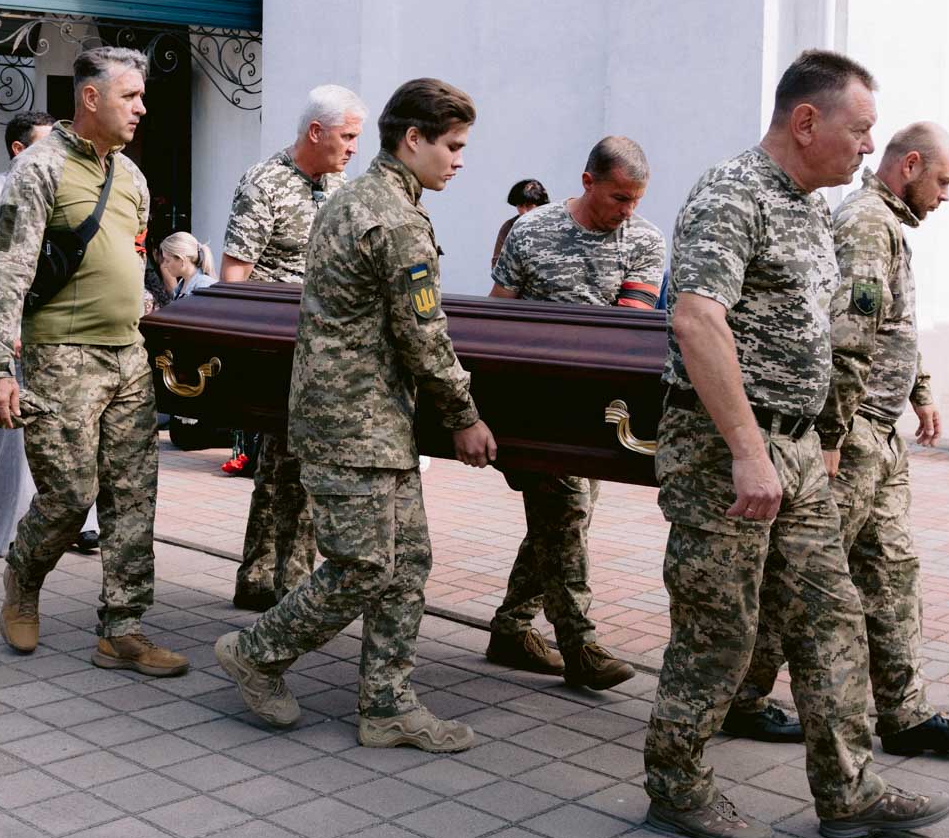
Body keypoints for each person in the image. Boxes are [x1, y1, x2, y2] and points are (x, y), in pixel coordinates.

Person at [643, 49, 949, 838]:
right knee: (720, 628)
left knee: (831, 614)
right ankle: (677, 785)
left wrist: (822, 441)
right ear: (806, 121)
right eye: (858, 131)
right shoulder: (730, 194)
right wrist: (749, 450)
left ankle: (849, 790)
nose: (865, 149)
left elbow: (820, 337)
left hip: (800, 451)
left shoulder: (815, 211)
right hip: (725, 450)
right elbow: (696, 320)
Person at [216, 78, 497, 753]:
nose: (459, 160)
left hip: (372, 420)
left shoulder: (357, 200)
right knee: (363, 566)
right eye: (452, 146)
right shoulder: (392, 218)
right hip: (354, 421)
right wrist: (463, 414)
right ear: (413, 140)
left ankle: (388, 703)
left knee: (408, 561)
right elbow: (423, 334)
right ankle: (257, 652)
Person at [723, 123, 949, 759]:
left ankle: (904, 715)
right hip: (854, 434)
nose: (947, 195)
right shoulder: (867, 221)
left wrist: (919, 389)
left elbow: (894, 323)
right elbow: (849, 329)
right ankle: (742, 696)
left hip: (881, 434)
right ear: (912, 166)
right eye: (943, 182)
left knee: (891, 572)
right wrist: (835, 430)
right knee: (802, 580)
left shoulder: (888, 223)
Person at [0, 48, 190, 675]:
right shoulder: (40, 167)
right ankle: (23, 577)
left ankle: (122, 627)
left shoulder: (131, 176)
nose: (142, 109)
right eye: (131, 97)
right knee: (70, 496)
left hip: (128, 355)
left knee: (133, 497)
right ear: (91, 98)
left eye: (143, 96)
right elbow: (10, 270)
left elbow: (134, 251)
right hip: (61, 359)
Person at [485, 137, 663, 692]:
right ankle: (578, 642)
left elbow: (628, 330)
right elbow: (499, 315)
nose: (626, 211)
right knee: (565, 513)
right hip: (535, 404)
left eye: (635, 199)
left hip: (601, 409)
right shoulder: (532, 233)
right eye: (618, 198)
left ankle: (511, 628)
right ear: (588, 182)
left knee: (567, 519)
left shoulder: (645, 240)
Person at [221, 84, 365, 610]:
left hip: (324, 350)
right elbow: (235, 276)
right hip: (279, 348)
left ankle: (258, 576)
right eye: (347, 136)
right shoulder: (265, 184)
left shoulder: (337, 185)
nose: (353, 148)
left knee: (280, 466)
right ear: (315, 132)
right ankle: (293, 588)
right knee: (295, 468)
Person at [0, 112, 60, 558]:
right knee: (10, 436)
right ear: (19, 150)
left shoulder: (60, 190)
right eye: (45, 144)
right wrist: (13, 316)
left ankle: (72, 523)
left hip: (56, 330)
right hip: (10, 329)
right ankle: (6, 526)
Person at [144, 231, 214, 312]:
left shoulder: (203, 286)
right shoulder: (182, 285)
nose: (165, 265)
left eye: (167, 260)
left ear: (181, 260)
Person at [491, 177, 550, 265]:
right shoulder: (509, 227)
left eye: (529, 205)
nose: (524, 211)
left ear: (540, 204)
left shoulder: (555, 222)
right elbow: (497, 264)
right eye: (520, 206)